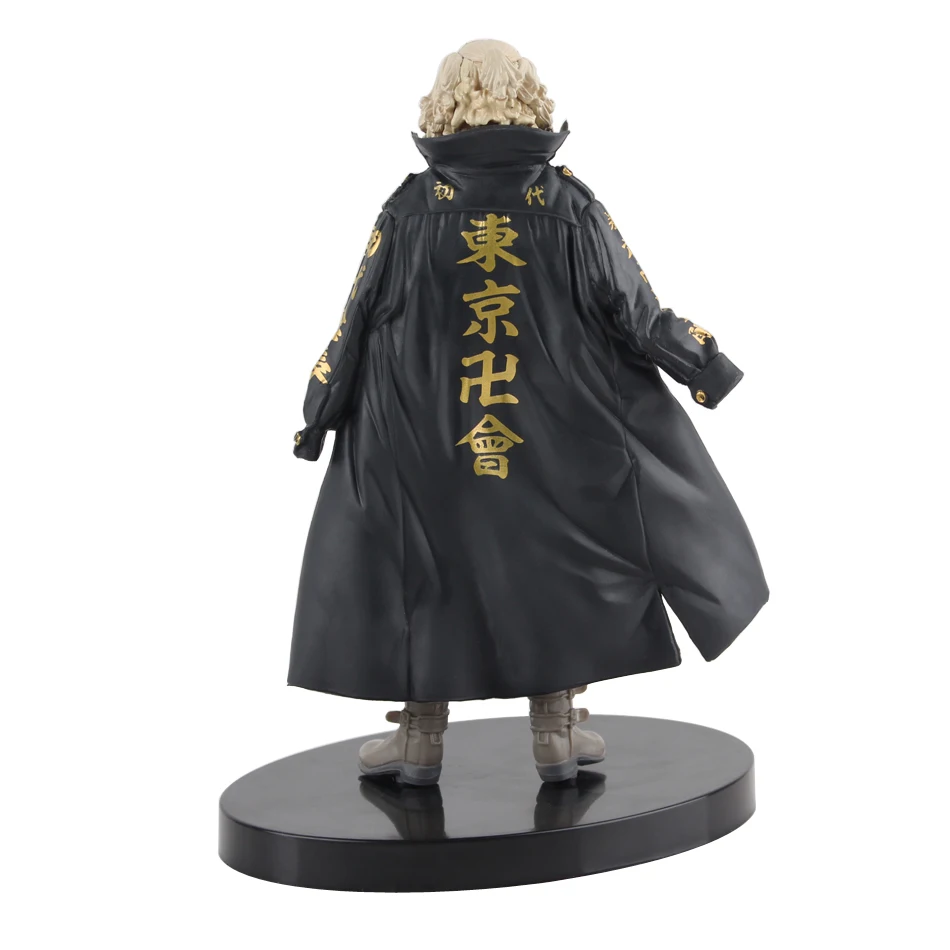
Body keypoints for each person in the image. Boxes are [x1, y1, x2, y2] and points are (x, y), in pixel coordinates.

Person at [290, 39, 768, 785]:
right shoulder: (568, 204)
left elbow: (354, 321)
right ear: (528, 96)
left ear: (444, 100)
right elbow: (637, 310)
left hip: (420, 441)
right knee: (549, 562)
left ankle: (420, 740)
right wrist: (705, 368)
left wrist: (319, 412)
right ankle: (554, 733)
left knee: (426, 571)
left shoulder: (409, 207)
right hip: (547, 437)